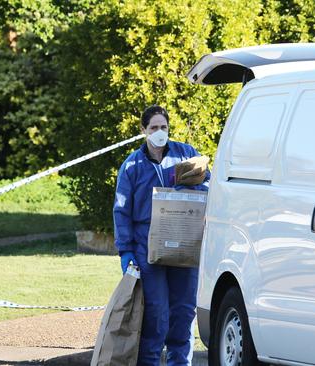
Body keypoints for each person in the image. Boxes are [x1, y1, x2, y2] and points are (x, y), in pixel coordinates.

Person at [113, 105, 209, 365]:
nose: (159, 133)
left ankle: (180, 362)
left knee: (183, 313)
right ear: (143, 130)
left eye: (163, 127)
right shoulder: (132, 166)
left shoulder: (185, 154)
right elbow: (121, 211)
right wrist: (127, 252)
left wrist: (197, 182)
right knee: (155, 315)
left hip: (184, 245)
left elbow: (209, 183)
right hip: (148, 249)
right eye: (154, 128)